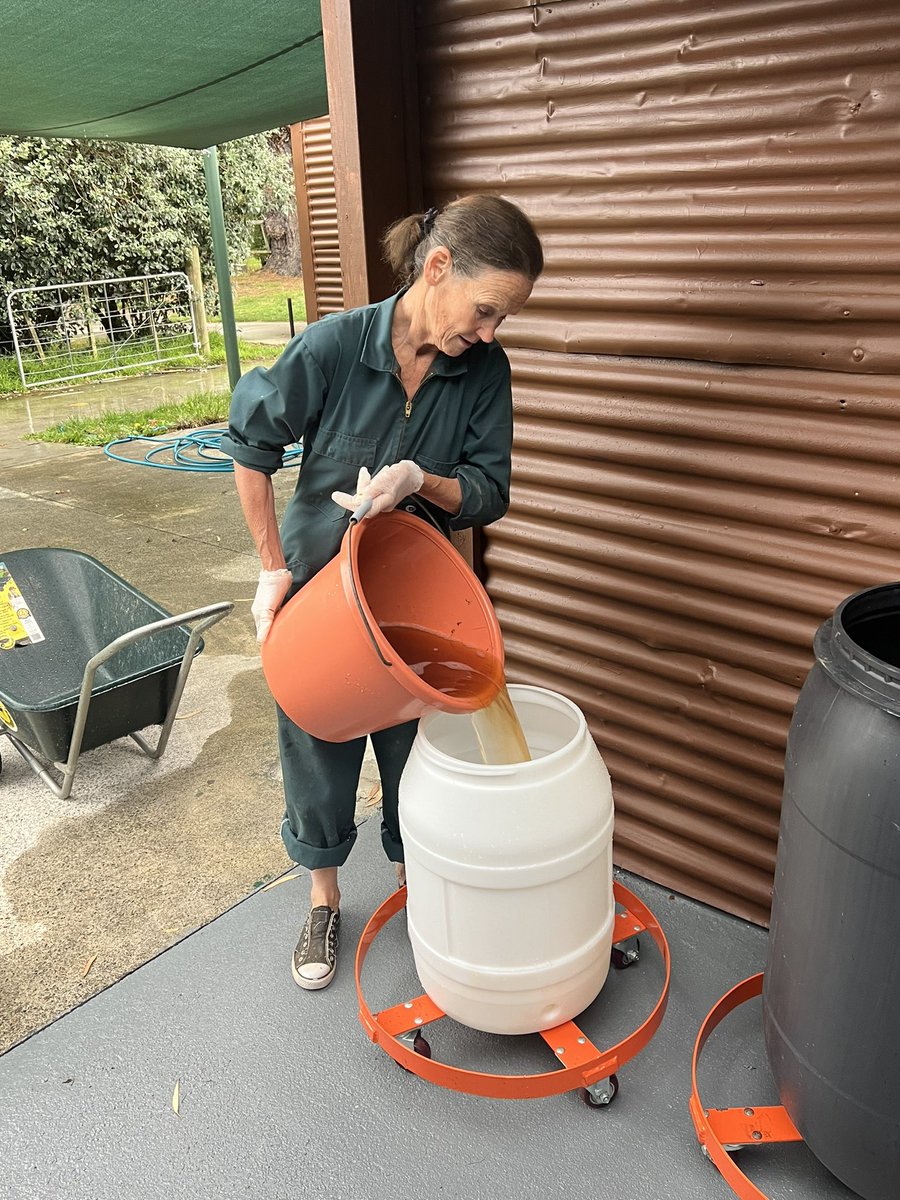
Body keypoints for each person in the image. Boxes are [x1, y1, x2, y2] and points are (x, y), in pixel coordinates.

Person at [220, 194, 543, 991]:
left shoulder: (483, 373)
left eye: (503, 319)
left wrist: (420, 480)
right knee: (316, 742)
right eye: (486, 310)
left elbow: (489, 490)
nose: (490, 333)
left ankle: (418, 890)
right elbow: (249, 442)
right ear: (438, 269)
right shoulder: (336, 346)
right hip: (320, 597)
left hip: (411, 602)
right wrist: (271, 566)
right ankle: (325, 900)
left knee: (415, 758)